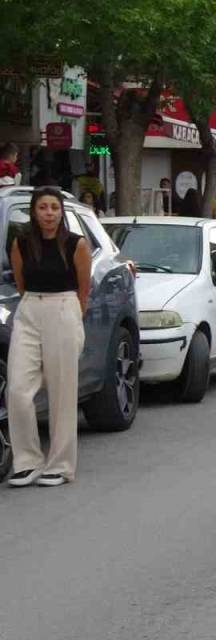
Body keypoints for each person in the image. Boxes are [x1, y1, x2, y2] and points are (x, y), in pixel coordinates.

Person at [6, 187, 91, 487]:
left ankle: (61, 464)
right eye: (43, 207)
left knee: (62, 391)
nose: (49, 213)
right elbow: (20, 282)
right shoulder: (21, 243)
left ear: (61, 211)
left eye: (54, 207)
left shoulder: (75, 244)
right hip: (30, 308)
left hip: (64, 308)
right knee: (17, 389)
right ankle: (27, 461)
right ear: (34, 211)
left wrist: (71, 317)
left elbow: (84, 290)